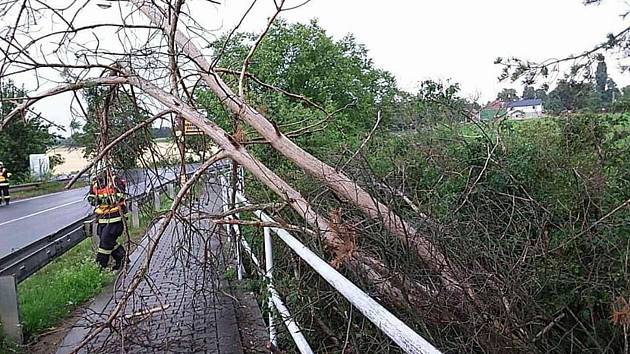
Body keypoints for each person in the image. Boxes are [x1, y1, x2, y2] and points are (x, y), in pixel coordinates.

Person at [87, 171, 129, 270]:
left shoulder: (115, 181)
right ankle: (122, 259)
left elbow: (119, 197)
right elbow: (91, 198)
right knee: (108, 241)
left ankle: (99, 268)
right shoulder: (95, 183)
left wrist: (101, 200)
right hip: (102, 218)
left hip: (116, 218)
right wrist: (95, 200)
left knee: (105, 243)